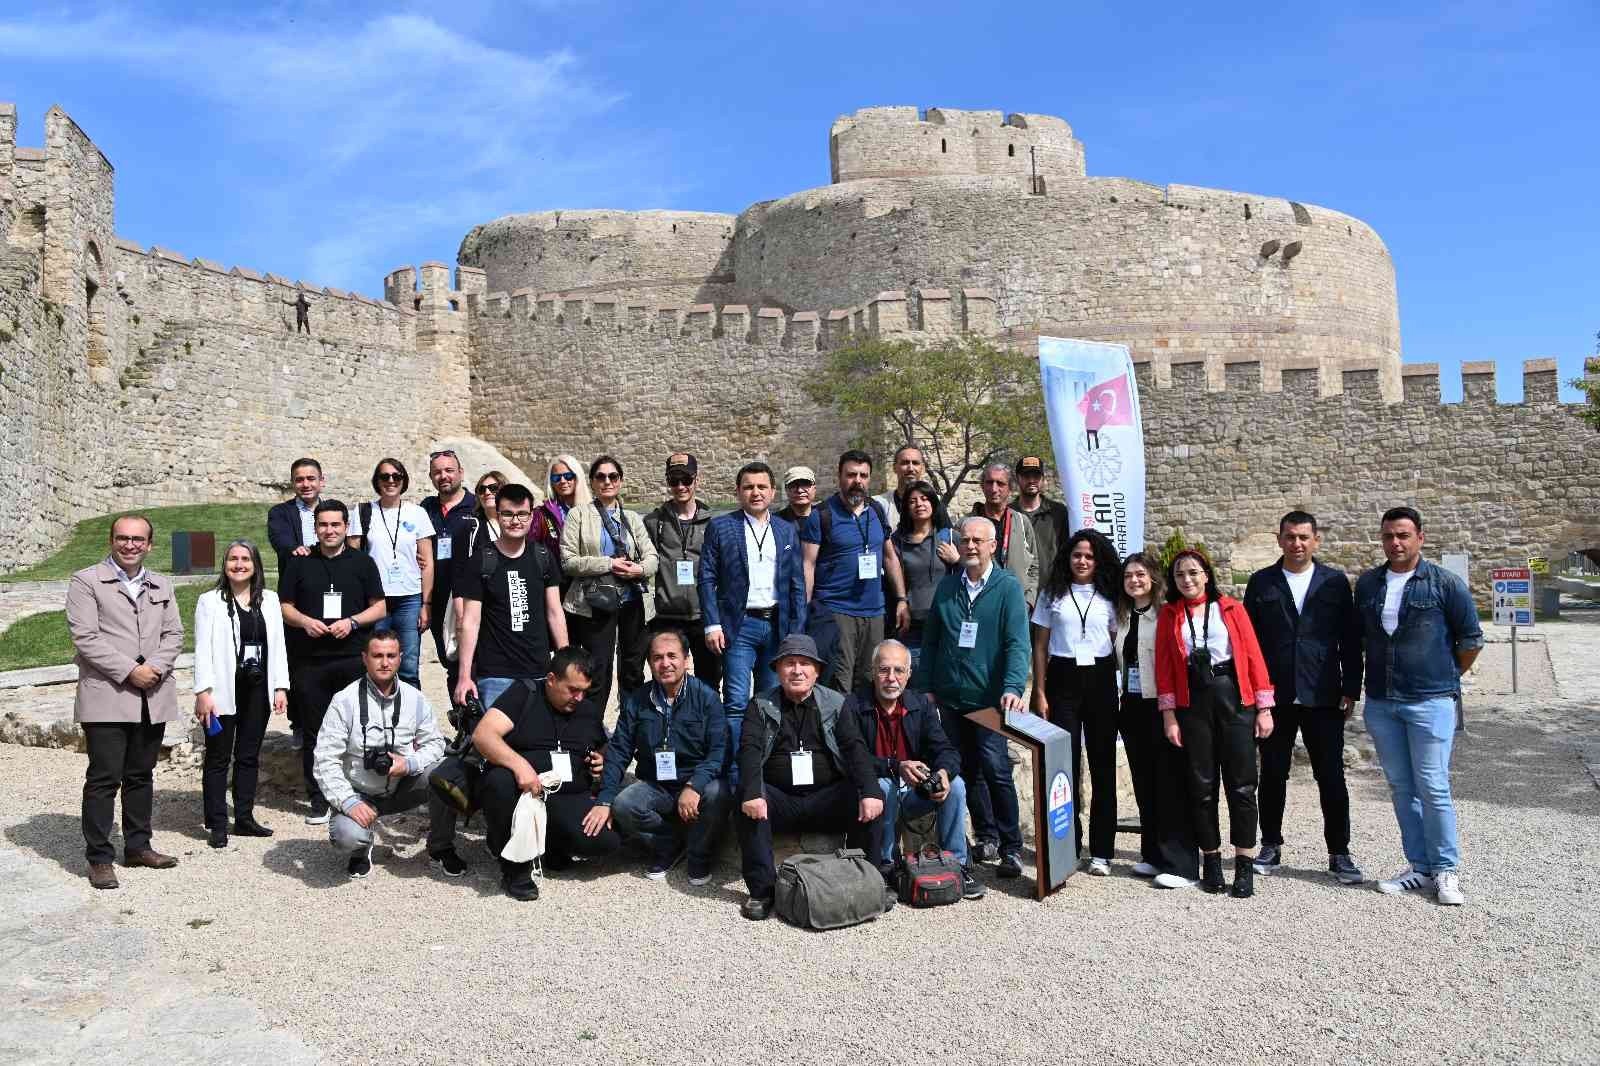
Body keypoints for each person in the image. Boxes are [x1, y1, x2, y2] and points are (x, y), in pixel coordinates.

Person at [1355, 506, 1482, 906]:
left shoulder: (1445, 584)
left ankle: (1446, 870)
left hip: (1430, 700)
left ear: (1420, 538)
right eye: (1389, 536)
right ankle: (1419, 867)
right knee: (1401, 786)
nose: (1396, 543)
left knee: (1433, 786)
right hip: (1382, 702)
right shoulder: (1369, 585)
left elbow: (1471, 641)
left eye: (1404, 535)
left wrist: (1443, 677)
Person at [1244, 510, 1365, 885]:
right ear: (1279, 539)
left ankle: (1339, 852)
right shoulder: (1261, 582)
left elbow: (1350, 638)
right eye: (1290, 537)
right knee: (1273, 774)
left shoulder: (1333, 583)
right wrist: (1253, 695)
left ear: (1316, 540)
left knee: (1330, 777)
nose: (1297, 543)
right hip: (1276, 695)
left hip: (1323, 693)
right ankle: (1271, 844)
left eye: (1304, 537)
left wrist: (1350, 689)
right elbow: (1249, 644)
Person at [67, 514, 185, 890]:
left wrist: (155, 667)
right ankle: (99, 858)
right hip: (108, 695)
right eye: (123, 538)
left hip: (153, 692)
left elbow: (174, 633)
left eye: (138, 539)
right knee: (104, 778)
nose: (130, 545)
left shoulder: (162, 583)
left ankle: (138, 846)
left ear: (149, 544)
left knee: (141, 775)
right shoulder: (86, 582)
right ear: (111, 540)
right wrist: (128, 671)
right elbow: (85, 637)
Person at [911, 516, 1030, 878]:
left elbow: (1017, 643)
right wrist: (927, 685)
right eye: (966, 540)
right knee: (967, 771)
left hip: (989, 699)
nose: (971, 546)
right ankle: (987, 836)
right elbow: (931, 642)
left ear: (993, 545)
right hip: (949, 697)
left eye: (979, 540)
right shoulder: (948, 588)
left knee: (996, 769)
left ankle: (1012, 848)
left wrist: (1012, 686)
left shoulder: (1007, 587)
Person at [734, 634, 885, 921]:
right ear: (778, 670)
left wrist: (870, 790)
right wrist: (753, 791)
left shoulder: (836, 703)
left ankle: (868, 882)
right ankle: (763, 891)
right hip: (780, 799)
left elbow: (855, 748)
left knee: (867, 797)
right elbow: (749, 751)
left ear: (817, 671)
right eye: (789, 663)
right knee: (747, 797)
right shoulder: (760, 705)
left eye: (805, 663)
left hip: (826, 797)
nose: (797, 670)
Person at [1154, 548, 1275, 897]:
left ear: (1206, 574)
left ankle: (1244, 864)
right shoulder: (1170, 615)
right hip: (1193, 703)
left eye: (1194, 572)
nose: (1187, 580)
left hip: (1234, 699)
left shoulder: (1231, 609)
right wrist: (1169, 715)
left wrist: (1264, 708)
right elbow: (1163, 667)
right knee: (1202, 786)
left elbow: (1253, 655)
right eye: (1180, 575)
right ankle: (1211, 860)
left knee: (1241, 785)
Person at [471, 647, 622, 901]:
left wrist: (601, 759)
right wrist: (520, 766)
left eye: (584, 690)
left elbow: (601, 744)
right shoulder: (524, 693)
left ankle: (551, 845)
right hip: (524, 792)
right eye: (572, 689)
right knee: (498, 782)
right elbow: (483, 735)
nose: (579, 697)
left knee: (605, 841)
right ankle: (514, 867)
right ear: (551, 680)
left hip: (567, 792)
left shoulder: (585, 708)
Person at [586, 630, 730, 883]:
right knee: (625, 804)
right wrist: (605, 799)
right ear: (650, 664)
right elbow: (619, 750)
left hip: (697, 781)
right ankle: (668, 845)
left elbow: (718, 751)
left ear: (686, 660)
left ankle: (699, 854)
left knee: (718, 793)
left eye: (672, 656)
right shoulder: (637, 700)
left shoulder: (706, 697)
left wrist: (694, 786)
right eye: (657, 658)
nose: (665, 663)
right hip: (657, 784)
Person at [845, 639, 983, 900]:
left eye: (899, 670)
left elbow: (947, 750)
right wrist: (895, 766)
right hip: (873, 793)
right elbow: (853, 758)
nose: (891, 678)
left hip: (914, 792)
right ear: (873, 672)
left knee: (956, 785)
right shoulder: (854, 705)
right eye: (884, 670)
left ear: (909, 675)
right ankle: (884, 866)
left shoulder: (921, 705)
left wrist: (943, 773)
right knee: (883, 785)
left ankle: (958, 865)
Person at [699, 461, 808, 785]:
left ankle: (765, 768)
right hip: (739, 626)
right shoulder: (722, 527)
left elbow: (797, 584)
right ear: (738, 492)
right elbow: (706, 577)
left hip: (777, 626)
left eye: (762, 487)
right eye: (749, 486)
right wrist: (712, 624)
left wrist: (797, 633)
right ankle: (735, 772)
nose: (756, 492)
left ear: (773, 492)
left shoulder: (786, 530)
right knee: (734, 702)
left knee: (771, 701)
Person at [279, 500, 387, 823]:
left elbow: (379, 607)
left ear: (345, 527)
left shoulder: (362, 563)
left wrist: (353, 621)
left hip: (352, 657)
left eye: (335, 525)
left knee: (358, 728)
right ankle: (319, 798)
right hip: (310, 660)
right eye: (323, 525)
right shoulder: (300, 563)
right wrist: (304, 622)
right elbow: (284, 606)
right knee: (314, 731)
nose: (329, 530)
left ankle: (357, 792)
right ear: (315, 528)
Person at [312, 631, 450, 879]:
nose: (384, 662)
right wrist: (348, 802)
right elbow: (324, 760)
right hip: (360, 792)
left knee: (445, 773)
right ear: (365, 658)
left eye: (390, 655)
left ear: (400, 658)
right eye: (377, 655)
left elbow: (436, 745)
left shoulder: (415, 699)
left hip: (402, 785)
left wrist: (408, 763)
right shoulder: (344, 701)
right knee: (347, 837)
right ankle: (360, 848)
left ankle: (441, 847)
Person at [1031, 528, 1122, 875]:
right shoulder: (1051, 593)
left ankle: (1101, 850)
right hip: (1062, 680)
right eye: (1077, 555)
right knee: (1062, 769)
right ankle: (1067, 844)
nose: (1082, 561)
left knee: (1102, 767)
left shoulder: (1111, 595)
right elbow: (1040, 645)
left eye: (1089, 556)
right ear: (1067, 558)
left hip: (1100, 680)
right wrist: (1039, 690)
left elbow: (1119, 642)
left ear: (1097, 560)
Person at [192, 539, 289, 848]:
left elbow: (278, 646)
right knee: (218, 757)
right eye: (233, 558)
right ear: (225, 564)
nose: (239, 564)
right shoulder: (210, 601)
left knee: (248, 756)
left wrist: (280, 686)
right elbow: (202, 651)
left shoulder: (270, 600)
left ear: (255, 564)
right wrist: (203, 692)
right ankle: (217, 823)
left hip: (257, 688)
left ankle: (244, 818)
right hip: (221, 689)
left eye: (245, 558)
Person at [801, 450, 910, 694]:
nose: (857, 481)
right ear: (840, 476)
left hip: (875, 613)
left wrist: (902, 600)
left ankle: (863, 732)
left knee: (871, 681)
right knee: (839, 683)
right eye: (851, 475)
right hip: (837, 611)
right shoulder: (822, 515)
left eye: (863, 475)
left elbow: (890, 557)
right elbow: (807, 564)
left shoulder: (877, 511)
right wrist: (805, 609)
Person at [453, 483, 569, 710]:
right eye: (507, 514)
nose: (515, 521)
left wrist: (565, 664)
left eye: (522, 514)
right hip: (496, 674)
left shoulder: (543, 557)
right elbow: (469, 622)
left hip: (540, 671)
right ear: (497, 515)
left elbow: (555, 613)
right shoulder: (481, 560)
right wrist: (465, 675)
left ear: (531, 515)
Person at [561, 455, 659, 713]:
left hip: (632, 601)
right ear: (592, 482)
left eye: (612, 476)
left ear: (620, 481)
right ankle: (592, 732)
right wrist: (608, 564)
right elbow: (569, 561)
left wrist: (638, 568)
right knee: (598, 670)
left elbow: (652, 558)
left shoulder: (633, 518)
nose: (607, 481)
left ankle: (630, 727)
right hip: (596, 603)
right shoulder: (578, 515)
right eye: (600, 477)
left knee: (632, 668)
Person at [1114, 552, 1189, 882]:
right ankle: (1153, 853)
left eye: (1140, 575)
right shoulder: (1122, 616)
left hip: (1162, 705)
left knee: (1168, 785)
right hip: (1131, 706)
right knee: (1144, 783)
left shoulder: (1166, 615)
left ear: (1154, 578)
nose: (1134, 580)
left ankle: (1178, 861)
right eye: (1129, 575)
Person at [347, 458, 435, 688]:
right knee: (375, 664)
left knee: (408, 666)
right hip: (376, 599)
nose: (391, 481)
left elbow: (428, 562)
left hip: (409, 597)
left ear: (404, 480)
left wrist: (426, 603)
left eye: (396, 476)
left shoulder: (417, 513)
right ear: (377, 481)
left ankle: (410, 719)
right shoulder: (363, 512)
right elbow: (352, 559)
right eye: (384, 476)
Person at [643, 452, 721, 690]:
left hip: (703, 615)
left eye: (686, 480)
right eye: (674, 480)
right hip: (667, 616)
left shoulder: (713, 523)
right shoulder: (654, 522)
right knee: (669, 681)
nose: (680, 486)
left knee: (709, 680)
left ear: (697, 480)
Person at [420, 448, 477, 697]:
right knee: (449, 660)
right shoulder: (426, 508)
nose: (444, 476)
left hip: (469, 596)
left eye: (449, 471)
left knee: (473, 660)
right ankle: (463, 727)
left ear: (461, 473)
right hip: (438, 596)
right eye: (438, 472)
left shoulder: (476, 506)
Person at [889, 480, 959, 671]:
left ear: (933, 504)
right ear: (906, 508)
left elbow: (975, 574)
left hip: (945, 624)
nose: (919, 504)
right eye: (912, 501)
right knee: (916, 683)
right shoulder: (896, 541)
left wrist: (957, 560)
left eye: (924, 499)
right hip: (911, 628)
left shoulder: (950, 537)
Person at [970, 462, 1039, 608]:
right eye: (989, 483)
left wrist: (1029, 601)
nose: (994, 489)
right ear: (982, 486)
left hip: (1015, 604)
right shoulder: (968, 524)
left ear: (1010, 488)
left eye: (1000, 483)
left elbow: (1034, 565)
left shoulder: (1021, 522)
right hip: (978, 604)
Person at [1012, 456, 1069, 592]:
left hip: (1051, 591)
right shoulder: (1009, 514)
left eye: (1036, 476)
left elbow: (1066, 551)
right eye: (1026, 476)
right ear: (1018, 479)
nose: (1031, 480)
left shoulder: (1058, 512)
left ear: (1043, 480)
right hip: (1017, 592)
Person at [266, 457, 325, 570]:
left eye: (311, 478)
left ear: (321, 481)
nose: (306, 484)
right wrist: (294, 548)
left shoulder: (334, 512)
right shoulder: (280, 513)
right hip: (297, 580)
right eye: (299, 480)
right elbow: (281, 539)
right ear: (292, 483)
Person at [533, 454, 588, 571]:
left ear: (577, 477)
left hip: (589, 579)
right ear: (551, 482)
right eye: (556, 478)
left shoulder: (594, 510)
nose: (563, 481)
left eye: (568, 476)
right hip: (558, 580)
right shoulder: (541, 514)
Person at [872, 444, 927, 530]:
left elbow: (948, 535)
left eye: (915, 463)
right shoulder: (879, 504)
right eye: (905, 463)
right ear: (894, 468)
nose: (910, 468)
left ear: (922, 468)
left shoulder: (934, 502)